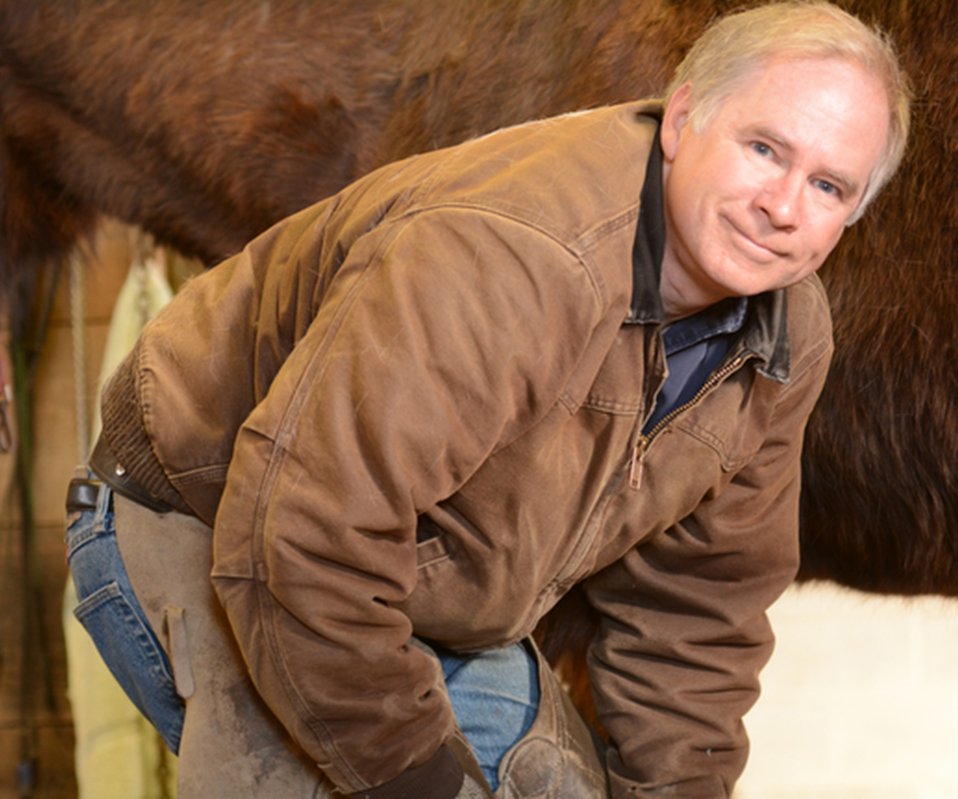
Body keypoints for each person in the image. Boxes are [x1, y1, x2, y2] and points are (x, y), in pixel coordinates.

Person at [65, 2, 910, 796]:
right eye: (764, 148)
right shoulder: (513, 255)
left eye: (829, 186)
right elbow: (305, 537)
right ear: (683, 120)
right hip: (205, 517)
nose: (783, 207)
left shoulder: (790, 329)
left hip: (424, 577)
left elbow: (699, 607)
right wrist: (415, 777)